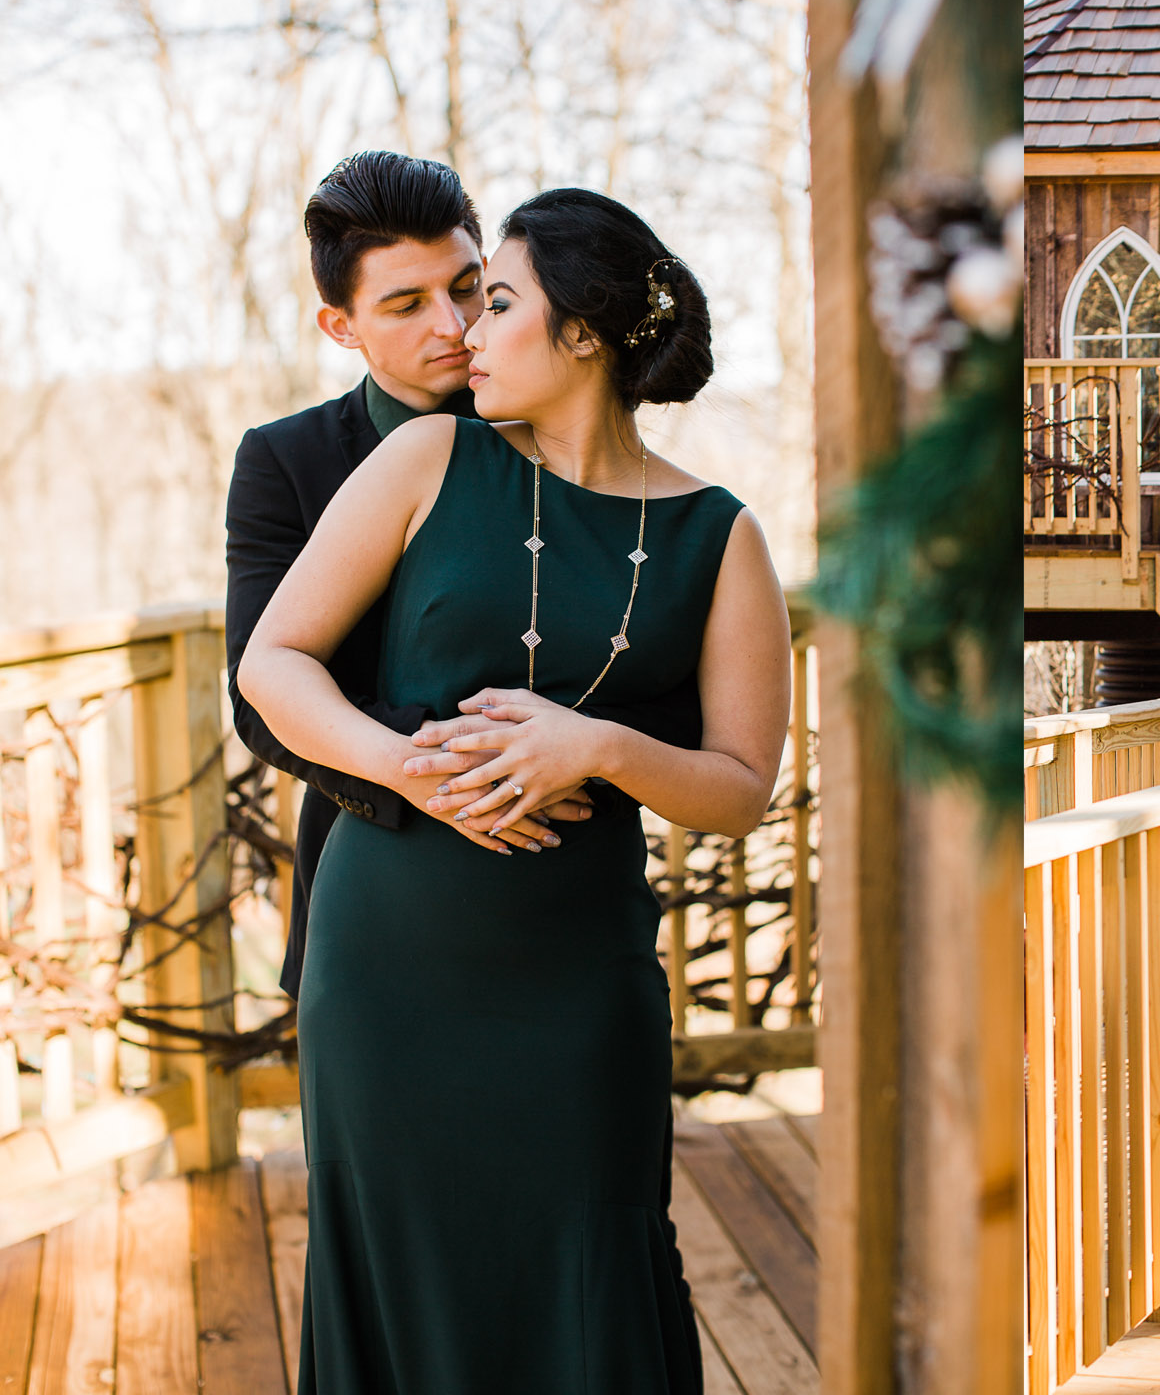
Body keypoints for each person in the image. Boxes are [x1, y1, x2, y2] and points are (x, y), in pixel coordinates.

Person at [239, 188, 790, 1394]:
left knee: (591, 1258)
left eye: (494, 303)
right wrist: (409, 770)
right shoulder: (428, 456)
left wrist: (596, 749)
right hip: (384, 967)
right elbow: (271, 665)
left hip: (575, 979)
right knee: (397, 1268)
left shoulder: (720, 536)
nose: (464, 336)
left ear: (582, 332)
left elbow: (742, 786)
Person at [225, 152, 700, 999]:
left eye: (469, 285)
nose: (453, 323)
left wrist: (580, 750)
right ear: (343, 327)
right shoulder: (285, 461)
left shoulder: (575, 435)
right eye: (406, 304)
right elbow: (258, 698)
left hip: (568, 891)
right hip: (376, 884)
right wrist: (454, 771)